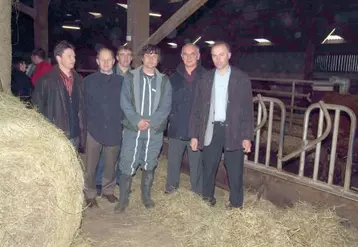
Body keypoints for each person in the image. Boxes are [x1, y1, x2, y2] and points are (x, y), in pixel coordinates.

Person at [189, 41, 254, 209]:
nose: (218, 59)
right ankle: (207, 198)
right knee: (208, 166)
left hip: (234, 129)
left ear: (229, 56)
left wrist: (247, 136)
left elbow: (247, 109)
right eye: (214, 55)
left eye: (221, 54)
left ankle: (236, 204)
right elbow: (197, 108)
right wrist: (195, 135)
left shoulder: (241, 78)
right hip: (212, 128)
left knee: (235, 169)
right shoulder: (205, 78)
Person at [115, 45, 172, 213]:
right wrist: (136, 120)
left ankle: (146, 196)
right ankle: (123, 199)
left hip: (154, 131)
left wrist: (152, 121)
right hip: (133, 128)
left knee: (150, 161)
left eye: (155, 56)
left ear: (158, 60)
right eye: (148, 56)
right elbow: (124, 101)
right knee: (127, 161)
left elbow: (166, 105)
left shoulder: (164, 81)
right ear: (142, 58)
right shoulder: (130, 77)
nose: (151, 59)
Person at [83, 48, 124, 207]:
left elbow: (126, 105)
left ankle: (108, 191)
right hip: (94, 129)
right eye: (103, 59)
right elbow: (83, 106)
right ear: (98, 61)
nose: (106, 63)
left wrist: (122, 123)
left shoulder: (121, 82)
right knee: (91, 167)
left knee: (110, 164)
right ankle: (90, 193)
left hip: (114, 129)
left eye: (109, 59)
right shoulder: (88, 81)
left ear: (114, 61)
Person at [165, 43, 206, 195]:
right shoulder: (173, 78)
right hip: (177, 126)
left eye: (192, 54)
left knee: (197, 162)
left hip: (198, 128)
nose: (189, 57)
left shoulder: (206, 77)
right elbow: (167, 102)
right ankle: (171, 188)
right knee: (174, 161)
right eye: (185, 54)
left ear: (198, 56)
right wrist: (170, 119)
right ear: (181, 57)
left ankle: (197, 191)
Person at [32, 40, 86, 151]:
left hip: (75, 135)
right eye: (69, 56)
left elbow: (82, 108)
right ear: (58, 58)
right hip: (56, 136)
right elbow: (37, 110)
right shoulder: (45, 81)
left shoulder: (79, 80)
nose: (73, 59)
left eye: (74, 56)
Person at [95, 45, 134, 195]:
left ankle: (119, 180)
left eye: (128, 55)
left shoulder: (135, 76)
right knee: (105, 152)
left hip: (127, 120)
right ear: (116, 58)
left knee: (125, 153)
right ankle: (99, 181)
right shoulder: (109, 73)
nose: (125, 58)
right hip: (110, 119)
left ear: (131, 58)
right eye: (122, 54)